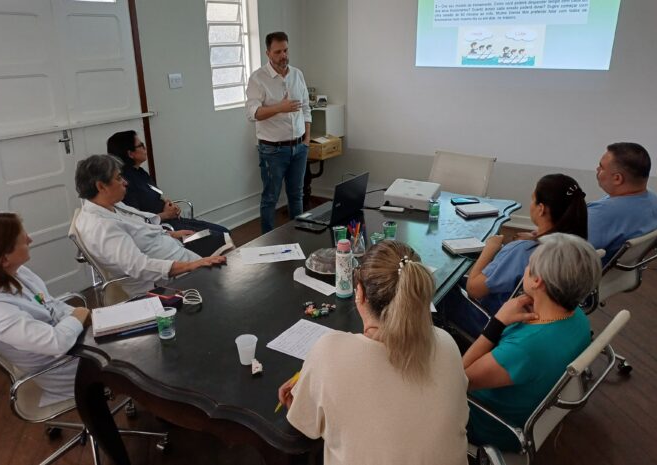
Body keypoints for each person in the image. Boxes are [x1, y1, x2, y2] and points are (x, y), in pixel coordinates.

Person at [278, 241, 469, 465]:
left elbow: (306, 425)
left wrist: (305, 396)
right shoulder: (446, 343)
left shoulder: (329, 352)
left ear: (359, 293)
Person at [463, 233, 600, 451]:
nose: (526, 269)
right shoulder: (578, 318)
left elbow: (460, 380)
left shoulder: (524, 349)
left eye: (529, 265)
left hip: (486, 425)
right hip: (526, 408)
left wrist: (497, 323)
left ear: (537, 281)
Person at [0, 212, 91, 407]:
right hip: (66, 368)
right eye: (23, 239)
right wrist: (78, 316)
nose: (30, 239)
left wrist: (76, 317)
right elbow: (56, 343)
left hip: (75, 344)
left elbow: (50, 304)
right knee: (143, 352)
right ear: (4, 259)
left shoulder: (14, 272)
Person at [441, 174, 588, 337]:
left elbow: (474, 289)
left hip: (491, 321)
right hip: (533, 322)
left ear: (541, 208)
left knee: (441, 287)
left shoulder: (522, 251)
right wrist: (535, 237)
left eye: (533, 200)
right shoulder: (577, 247)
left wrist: (489, 250)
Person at [74, 154, 226, 297]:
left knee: (222, 244)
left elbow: (140, 226)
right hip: (167, 282)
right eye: (119, 178)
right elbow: (139, 266)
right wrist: (192, 265)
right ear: (101, 186)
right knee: (224, 272)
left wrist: (169, 234)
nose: (125, 182)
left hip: (176, 254)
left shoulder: (111, 206)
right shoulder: (101, 227)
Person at [245, 31, 311, 233]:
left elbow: (306, 108)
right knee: (270, 198)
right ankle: (266, 243)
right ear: (268, 53)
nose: (283, 55)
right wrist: (279, 108)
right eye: (278, 52)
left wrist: (306, 140)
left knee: (296, 195)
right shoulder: (258, 79)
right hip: (273, 150)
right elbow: (252, 113)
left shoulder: (297, 74)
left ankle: (298, 236)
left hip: (299, 147)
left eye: (286, 50)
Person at [106, 130, 229, 234]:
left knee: (223, 231)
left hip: (173, 219)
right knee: (220, 237)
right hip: (163, 228)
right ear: (130, 153)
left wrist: (168, 203)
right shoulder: (124, 183)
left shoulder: (140, 172)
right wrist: (166, 214)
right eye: (141, 145)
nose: (145, 148)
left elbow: (154, 193)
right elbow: (137, 221)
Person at [589, 142, 657, 262]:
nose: (597, 169)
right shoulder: (654, 200)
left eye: (601, 167)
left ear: (617, 178)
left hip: (590, 275)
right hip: (622, 273)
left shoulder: (602, 214)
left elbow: (567, 254)